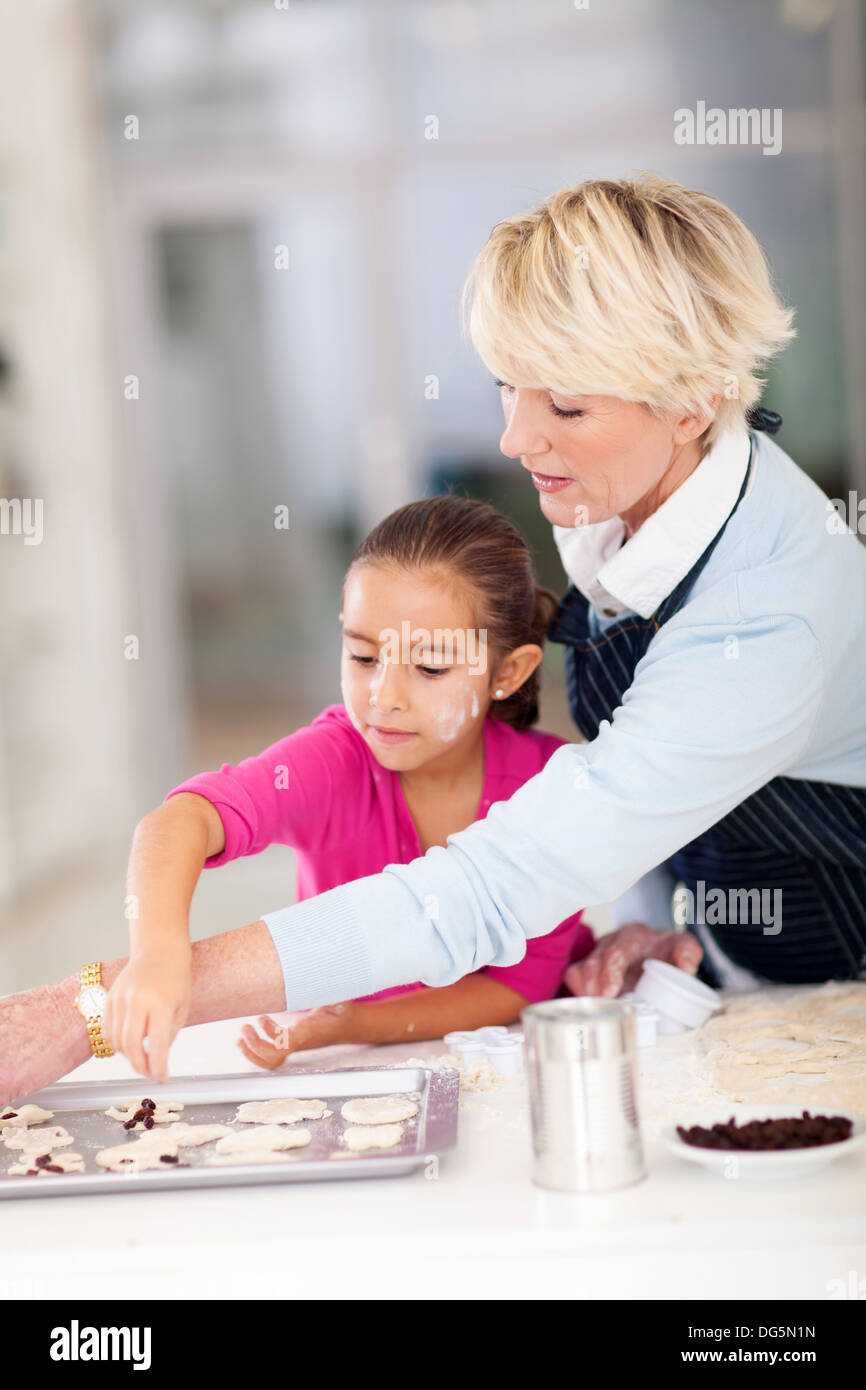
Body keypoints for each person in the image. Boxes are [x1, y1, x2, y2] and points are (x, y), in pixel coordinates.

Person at [104, 494, 593, 1075]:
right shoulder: (333, 761)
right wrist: (158, 953)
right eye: (363, 656)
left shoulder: (550, 789)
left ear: (507, 673)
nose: (384, 697)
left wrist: (350, 1025)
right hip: (355, 1075)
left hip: (512, 1065)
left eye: (430, 667)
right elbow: (181, 820)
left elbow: (517, 989)